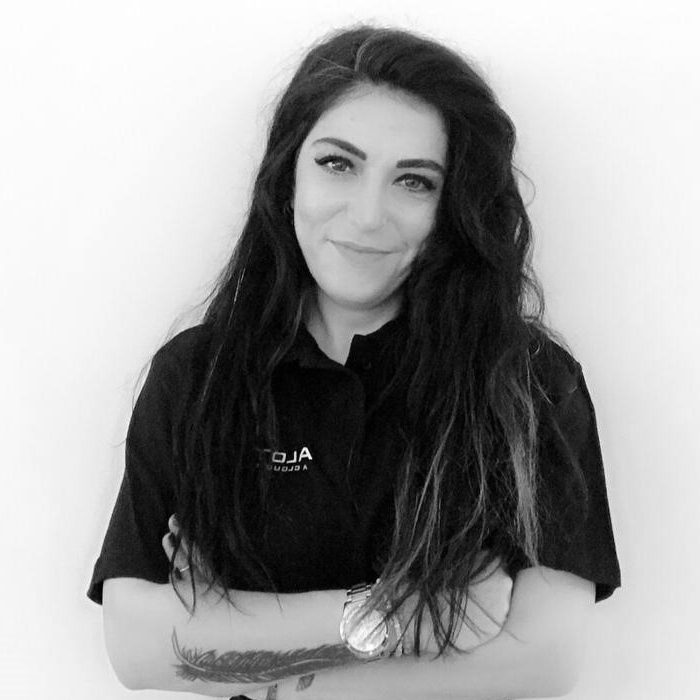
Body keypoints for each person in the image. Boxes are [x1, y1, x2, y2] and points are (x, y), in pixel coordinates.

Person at [87, 23, 621, 699]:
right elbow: (139, 648)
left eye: (415, 181)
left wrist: (252, 657)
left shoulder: (529, 384)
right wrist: (392, 619)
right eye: (338, 164)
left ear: (452, 208)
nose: (368, 216)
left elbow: (541, 663)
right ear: (287, 177)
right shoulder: (197, 377)